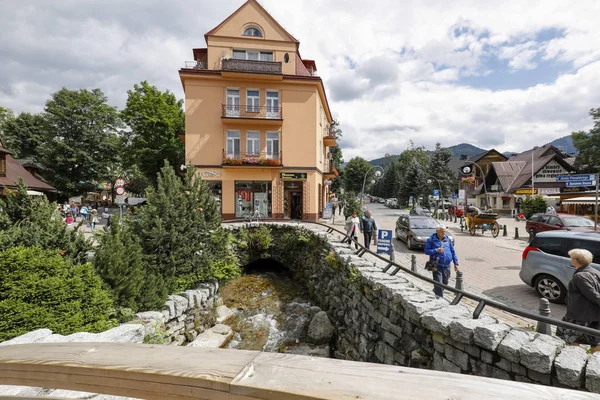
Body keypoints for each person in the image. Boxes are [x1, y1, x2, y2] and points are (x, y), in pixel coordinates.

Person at [556, 249, 600, 353]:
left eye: (571, 258)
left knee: (569, 337)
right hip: (596, 314)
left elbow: (593, 294)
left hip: (580, 315)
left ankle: (574, 358)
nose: (570, 260)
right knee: (596, 339)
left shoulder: (579, 276)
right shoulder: (595, 272)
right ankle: (594, 363)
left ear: (576, 260)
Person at [424, 226, 459, 298]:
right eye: (442, 231)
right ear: (437, 231)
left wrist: (456, 263)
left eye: (445, 231)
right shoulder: (431, 240)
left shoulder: (448, 240)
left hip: (447, 266)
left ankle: (436, 291)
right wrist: (436, 250)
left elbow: (453, 252)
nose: (444, 233)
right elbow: (426, 251)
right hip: (437, 266)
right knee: (439, 284)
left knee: (445, 283)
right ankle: (439, 299)